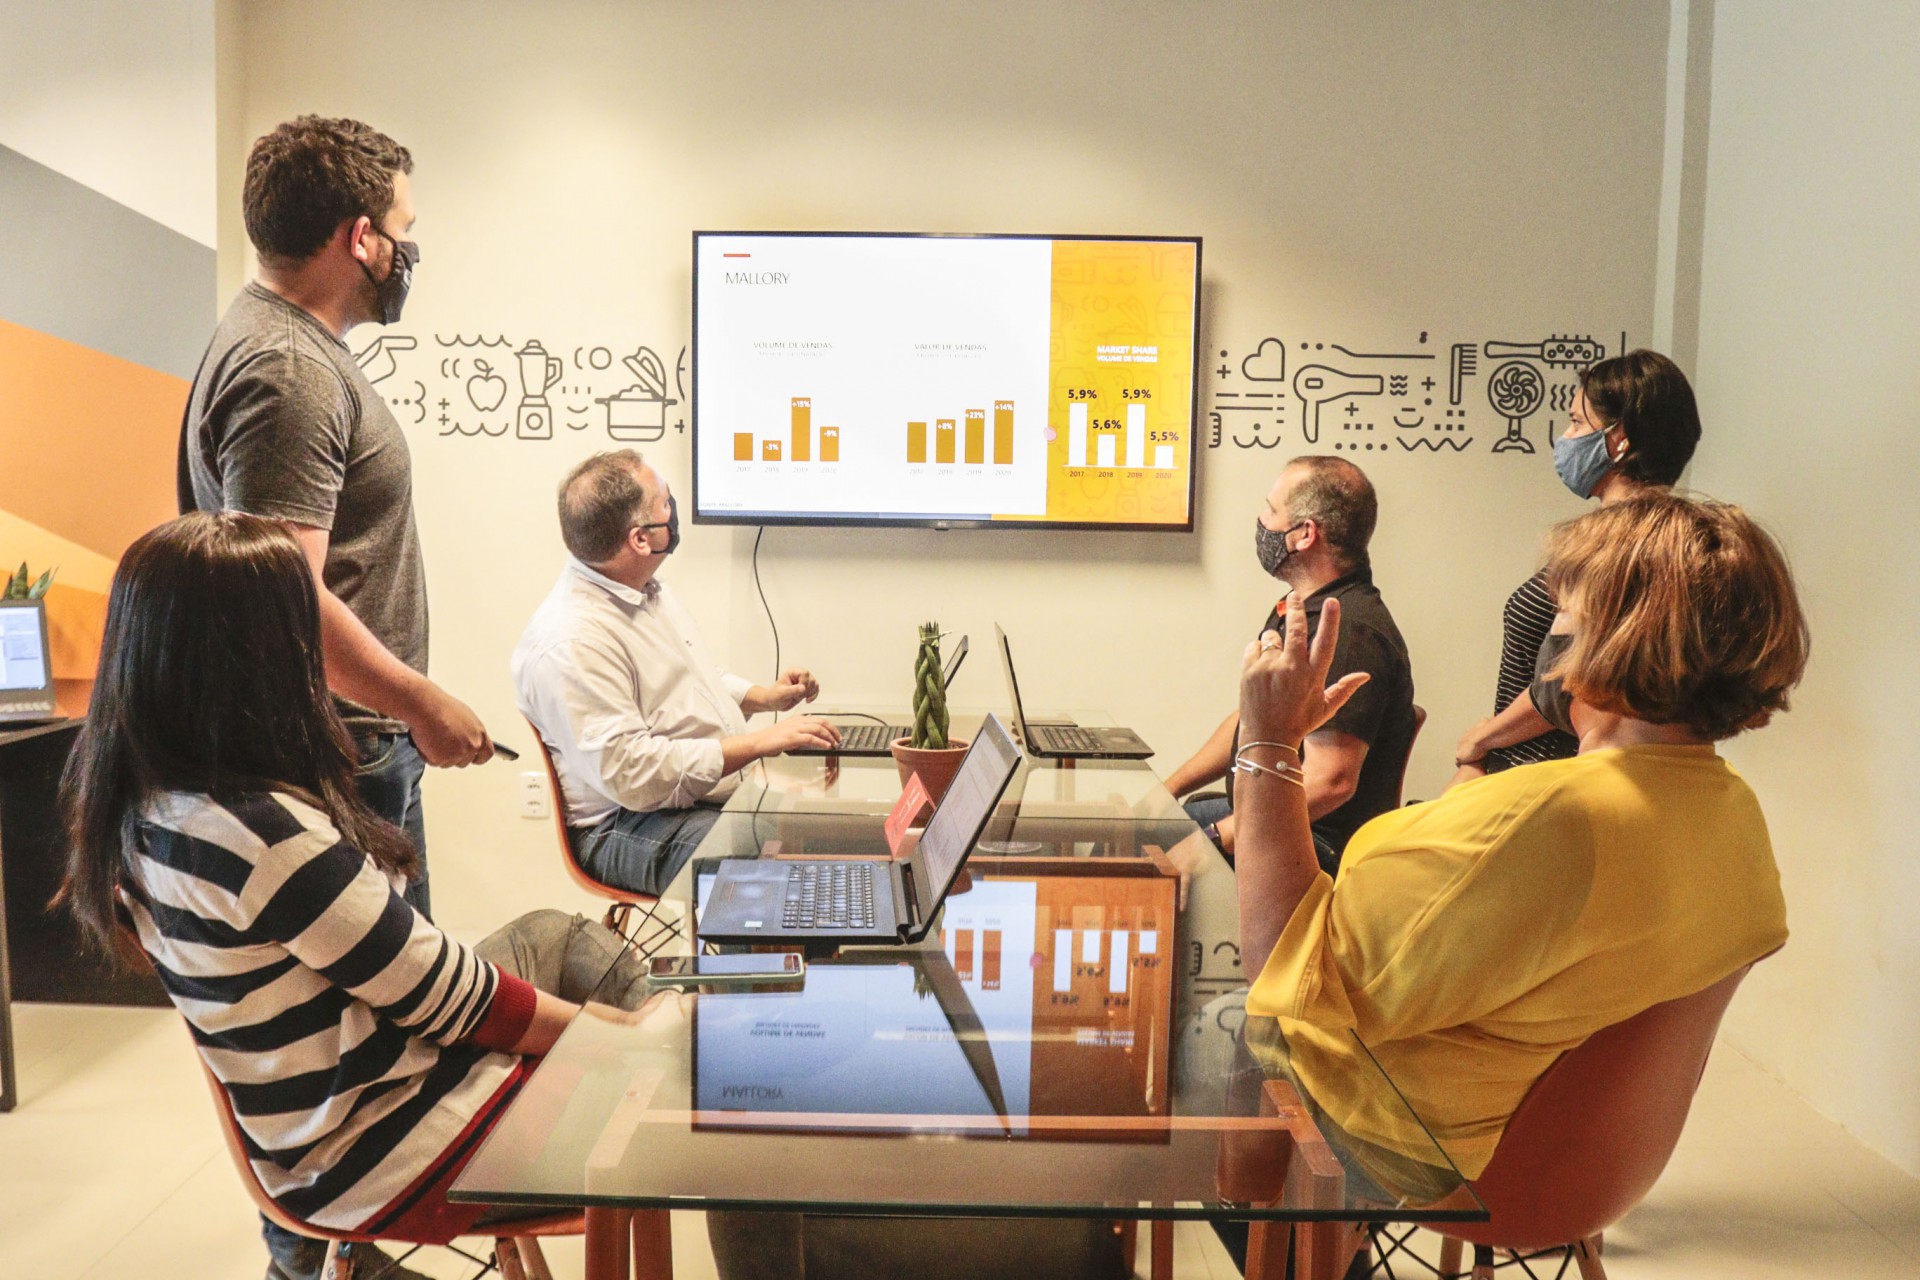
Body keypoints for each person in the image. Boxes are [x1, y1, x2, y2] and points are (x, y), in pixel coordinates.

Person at [58, 513, 664, 1280]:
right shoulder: (264, 838)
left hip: (304, 1131)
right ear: (262, 652)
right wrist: (623, 1046)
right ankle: (686, 1067)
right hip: (392, 1144)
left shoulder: (145, 804)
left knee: (556, 936)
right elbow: (465, 1005)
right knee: (644, 1063)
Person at [1230, 493, 1803, 1219]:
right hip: (1589, 1162)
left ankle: (1275, 1252)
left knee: (1211, 1028)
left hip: (1427, 1146)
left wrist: (1269, 739)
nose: (1550, 640)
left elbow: (1278, 957)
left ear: (1616, 641)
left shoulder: (1539, 820)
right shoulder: (1734, 816)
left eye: (1563, 618)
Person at [179, 115, 495, 924]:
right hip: (344, 754)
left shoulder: (282, 345)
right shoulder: (289, 370)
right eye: (404, 232)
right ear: (362, 238)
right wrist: (421, 702)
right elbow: (282, 596)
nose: (409, 253)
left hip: (352, 744)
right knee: (394, 1024)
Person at [513, 450, 841, 895]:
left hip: (685, 799)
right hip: (623, 824)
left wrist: (763, 698)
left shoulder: (642, 591)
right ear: (640, 540)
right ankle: (765, 964)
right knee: (759, 865)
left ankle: (812, 957)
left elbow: (690, 679)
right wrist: (761, 742)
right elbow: (635, 776)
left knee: (818, 829)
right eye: (665, 504)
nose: (674, 510)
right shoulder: (572, 642)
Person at [1449, 349, 1702, 785]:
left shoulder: (1613, 549)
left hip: (1544, 771)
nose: (1566, 437)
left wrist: (1482, 740)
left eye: (1577, 423)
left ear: (1618, 438)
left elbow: (1567, 682)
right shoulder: (1663, 542)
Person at [1164, 456, 1416, 870]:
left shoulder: (1348, 631)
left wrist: (1216, 840)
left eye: (1271, 510)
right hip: (1273, 820)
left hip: (1317, 844)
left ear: (1304, 534)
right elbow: (1252, 718)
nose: (1262, 521)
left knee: (1145, 855)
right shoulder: (1300, 611)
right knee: (1147, 828)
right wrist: (1165, 793)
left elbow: (1331, 782)